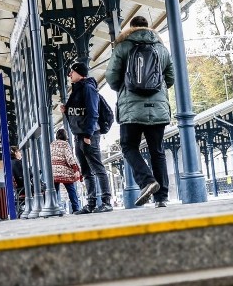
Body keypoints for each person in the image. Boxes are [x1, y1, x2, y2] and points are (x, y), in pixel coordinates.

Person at [105, 16, 175, 208]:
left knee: (129, 146)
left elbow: (111, 77)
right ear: (148, 28)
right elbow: (170, 78)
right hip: (158, 107)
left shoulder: (122, 47)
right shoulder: (161, 48)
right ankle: (161, 198)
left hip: (131, 108)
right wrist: (156, 89)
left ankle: (146, 181)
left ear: (131, 28)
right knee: (157, 152)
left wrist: (126, 88)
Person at [62, 61, 112, 213]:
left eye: (72, 71)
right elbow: (79, 112)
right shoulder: (76, 89)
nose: (70, 74)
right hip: (79, 135)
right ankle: (91, 203)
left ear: (79, 73)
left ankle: (106, 201)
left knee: (97, 167)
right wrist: (66, 110)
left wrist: (88, 135)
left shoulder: (89, 88)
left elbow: (93, 112)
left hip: (89, 135)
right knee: (86, 171)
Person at [51, 128, 81, 213]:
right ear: (65, 136)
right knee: (71, 189)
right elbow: (69, 157)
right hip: (64, 171)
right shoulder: (65, 144)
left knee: (54, 191)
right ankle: (75, 208)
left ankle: (53, 208)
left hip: (53, 172)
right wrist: (75, 169)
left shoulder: (52, 144)